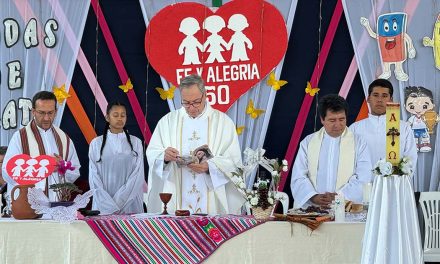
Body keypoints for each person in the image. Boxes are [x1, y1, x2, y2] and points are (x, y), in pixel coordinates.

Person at [146, 74, 244, 215]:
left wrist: (210, 167)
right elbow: (152, 153)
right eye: (186, 103)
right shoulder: (167, 122)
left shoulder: (223, 122)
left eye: (196, 102)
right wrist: (165, 157)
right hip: (177, 195)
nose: (191, 107)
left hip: (211, 196)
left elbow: (233, 161)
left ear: (205, 95)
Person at [290, 94, 372, 209]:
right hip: (314, 209)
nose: (338, 125)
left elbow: (364, 176)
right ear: (322, 119)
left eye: (342, 119)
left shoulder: (359, 142)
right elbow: (298, 176)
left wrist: (339, 196)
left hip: (346, 207)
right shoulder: (308, 142)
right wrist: (313, 196)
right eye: (332, 120)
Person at [1, 91, 80, 201]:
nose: (47, 118)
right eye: (42, 113)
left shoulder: (64, 139)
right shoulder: (20, 137)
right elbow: (7, 171)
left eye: (50, 113)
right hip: (27, 205)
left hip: (56, 204)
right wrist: (40, 166)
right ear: (33, 111)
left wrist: (62, 166)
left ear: (56, 112)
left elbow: (75, 170)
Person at [350, 79, 417, 180]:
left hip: (394, 187)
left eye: (384, 96)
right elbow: (349, 160)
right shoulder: (355, 128)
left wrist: (399, 183)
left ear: (391, 99)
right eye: (375, 95)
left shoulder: (404, 128)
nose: (380, 100)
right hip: (363, 188)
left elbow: (410, 160)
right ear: (368, 98)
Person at [88, 102, 145, 215]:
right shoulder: (96, 143)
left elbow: (137, 175)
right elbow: (94, 177)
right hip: (103, 205)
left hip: (130, 202)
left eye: (123, 115)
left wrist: (119, 202)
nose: (119, 118)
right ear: (107, 117)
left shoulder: (136, 142)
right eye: (115, 115)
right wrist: (108, 204)